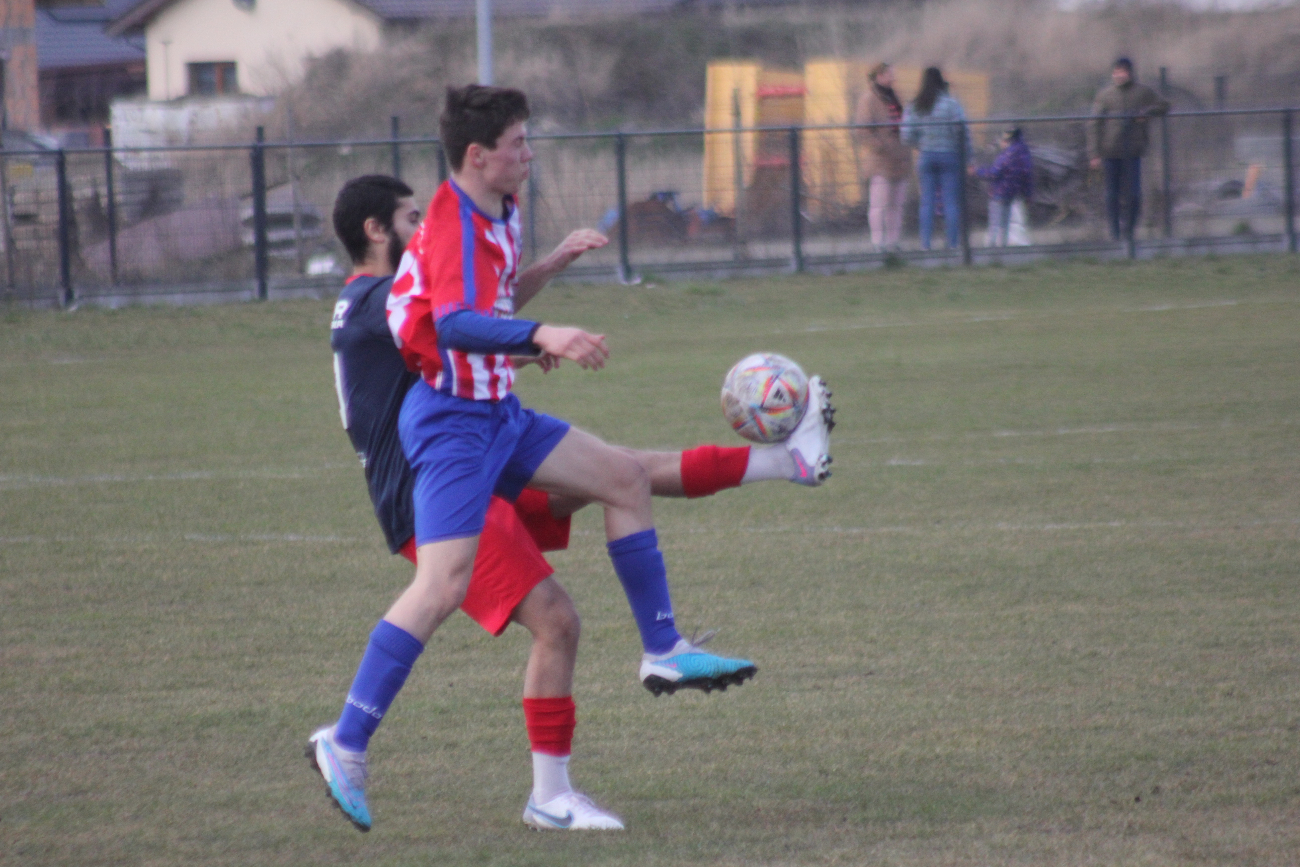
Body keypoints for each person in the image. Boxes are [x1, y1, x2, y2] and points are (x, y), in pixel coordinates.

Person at [309, 133, 833, 830]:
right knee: (552, 621)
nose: (423, 227)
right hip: (435, 485)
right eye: (410, 218)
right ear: (377, 231)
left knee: (623, 473)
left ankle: (787, 467)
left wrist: (545, 278)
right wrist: (533, 338)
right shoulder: (379, 301)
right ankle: (522, 789)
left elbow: (471, 318)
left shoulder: (374, 301)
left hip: (474, 455)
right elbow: (460, 325)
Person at [1087, 57, 1169, 243]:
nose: (1119, 75)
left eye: (1122, 71)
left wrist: (1146, 113)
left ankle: (1130, 231)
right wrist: (1094, 154)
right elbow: (1094, 124)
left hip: (1133, 152)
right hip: (1110, 152)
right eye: (1116, 72)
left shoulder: (1142, 92)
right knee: (1111, 195)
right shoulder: (1105, 95)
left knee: (1134, 195)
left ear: (1130, 73)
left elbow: (1164, 105)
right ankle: (1115, 233)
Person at [902, 66, 972, 251]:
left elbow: (906, 135)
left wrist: (920, 144)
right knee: (950, 202)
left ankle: (925, 244)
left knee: (927, 202)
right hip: (949, 156)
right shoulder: (951, 104)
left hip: (926, 156)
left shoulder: (915, 105)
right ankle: (952, 244)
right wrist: (967, 156)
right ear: (941, 81)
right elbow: (962, 132)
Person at [854, 62, 912, 251]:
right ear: (878, 76)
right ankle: (878, 242)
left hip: (900, 158)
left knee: (897, 204)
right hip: (880, 160)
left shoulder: (896, 96)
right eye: (889, 74)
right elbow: (863, 130)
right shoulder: (868, 98)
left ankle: (893, 242)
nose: (893, 78)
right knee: (879, 204)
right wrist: (880, 146)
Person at [975, 128, 1034, 247]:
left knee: (995, 223)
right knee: (1005, 223)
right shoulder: (1023, 154)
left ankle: (992, 245)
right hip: (1012, 193)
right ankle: (1003, 246)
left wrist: (978, 171)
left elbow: (994, 173)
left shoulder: (1006, 156)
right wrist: (1028, 194)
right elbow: (1027, 175)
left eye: (1002, 141)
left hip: (998, 192)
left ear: (1007, 141)